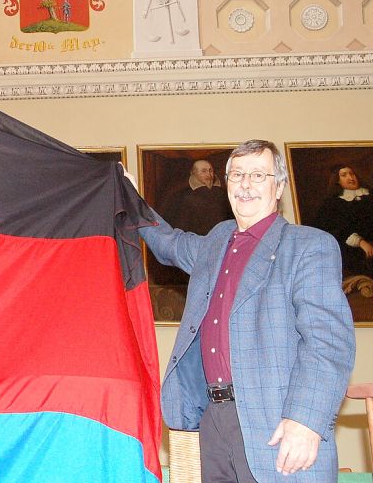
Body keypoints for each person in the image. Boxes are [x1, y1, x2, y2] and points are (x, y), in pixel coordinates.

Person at [127, 140, 355, 482]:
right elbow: (170, 243)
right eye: (236, 175)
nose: (245, 184)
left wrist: (306, 419)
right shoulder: (216, 241)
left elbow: (327, 341)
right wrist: (131, 199)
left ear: (278, 187)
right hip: (211, 420)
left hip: (277, 420)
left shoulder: (309, 245)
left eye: (258, 175)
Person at [164, 159, 233, 236]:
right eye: (204, 171)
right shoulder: (185, 197)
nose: (209, 175)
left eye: (211, 171)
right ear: (193, 173)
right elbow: (181, 227)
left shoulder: (223, 195)